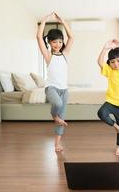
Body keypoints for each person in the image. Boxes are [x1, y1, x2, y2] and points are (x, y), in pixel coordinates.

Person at [36, 12, 74, 152]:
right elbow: (39, 37)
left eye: (59, 41)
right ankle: (53, 116)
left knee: (62, 118)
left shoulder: (65, 54)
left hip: (64, 90)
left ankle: (57, 144)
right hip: (51, 88)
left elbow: (72, 37)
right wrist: (44, 20)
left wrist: (63, 21)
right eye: (54, 42)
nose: (57, 44)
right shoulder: (48, 55)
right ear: (50, 43)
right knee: (57, 104)